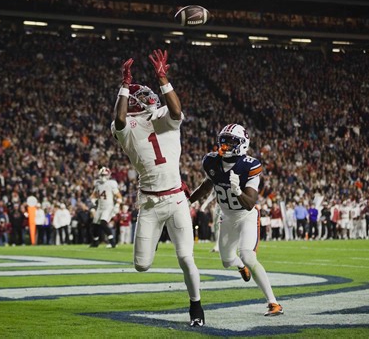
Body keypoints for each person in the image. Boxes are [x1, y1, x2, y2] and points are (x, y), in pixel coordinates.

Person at [111, 49, 204, 327]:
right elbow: (119, 120)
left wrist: (163, 77)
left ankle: (196, 307)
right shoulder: (127, 126)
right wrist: (125, 87)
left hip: (176, 199)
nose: (150, 99)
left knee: (186, 258)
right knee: (141, 265)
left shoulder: (164, 115)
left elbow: (175, 109)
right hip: (149, 204)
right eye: (144, 98)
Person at [188, 123, 284, 317]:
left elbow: (250, 203)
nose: (225, 145)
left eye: (231, 142)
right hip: (226, 216)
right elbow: (208, 185)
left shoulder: (250, 165)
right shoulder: (211, 161)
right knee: (226, 260)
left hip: (246, 216)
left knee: (248, 255)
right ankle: (240, 266)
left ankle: (273, 303)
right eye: (224, 140)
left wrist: (238, 190)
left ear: (242, 143)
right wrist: (187, 201)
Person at [89, 167, 122, 248]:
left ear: (109, 175)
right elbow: (94, 194)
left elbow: (119, 196)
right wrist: (93, 200)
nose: (103, 177)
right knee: (95, 225)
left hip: (108, 206)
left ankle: (112, 242)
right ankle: (95, 242)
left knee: (103, 223)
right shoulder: (97, 183)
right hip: (100, 206)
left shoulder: (111, 183)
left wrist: (117, 205)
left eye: (105, 175)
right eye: (102, 175)